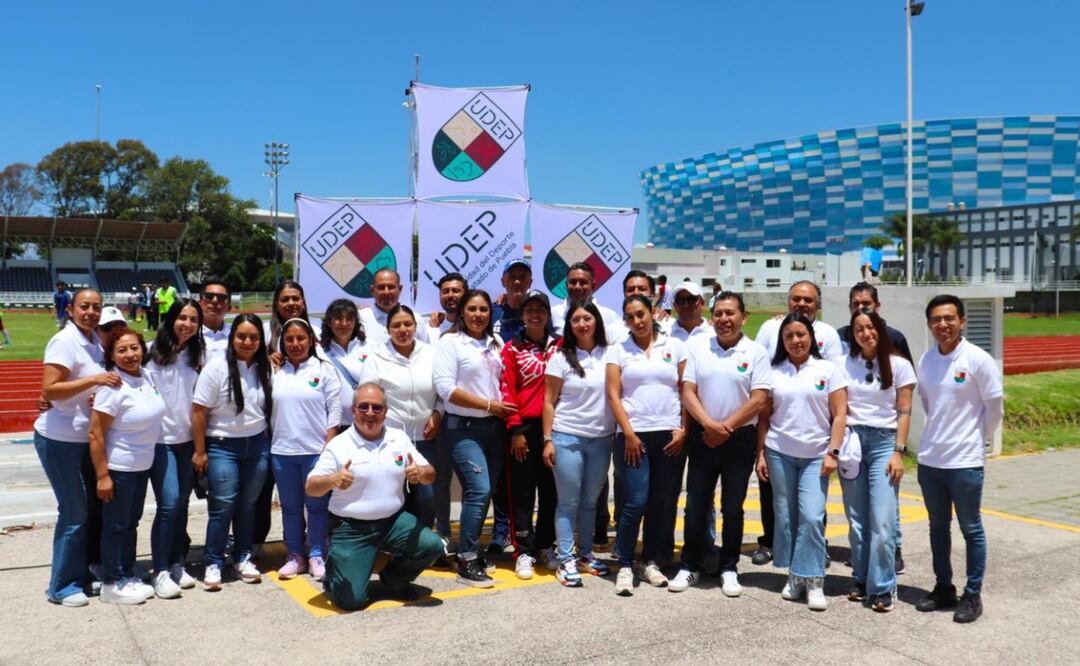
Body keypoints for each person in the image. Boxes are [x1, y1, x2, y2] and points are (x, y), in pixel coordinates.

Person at [305, 383, 443, 610]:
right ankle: (334, 575)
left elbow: (430, 473)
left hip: (393, 522)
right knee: (352, 602)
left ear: (386, 411)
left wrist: (420, 473)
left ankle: (393, 579)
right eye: (363, 407)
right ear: (353, 410)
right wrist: (333, 479)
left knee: (432, 545)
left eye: (377, 408)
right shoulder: (339, 444)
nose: (370, 413)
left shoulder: (398, 438)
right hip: (351, 529)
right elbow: (311, 487)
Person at [671, 291, 770, 596]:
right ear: (711, 318)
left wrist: (726, 428)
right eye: (719, 314)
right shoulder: (699, 347)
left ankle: (728, 567)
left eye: (730, 313)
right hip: (703, 436)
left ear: (743, 317)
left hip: (739, 439)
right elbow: (687, 391)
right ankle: (689, 565)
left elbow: (759, 399)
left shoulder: (755, 352)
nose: (724, 319)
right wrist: (710, 425)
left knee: (733, 507)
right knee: (696, 504)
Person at [914, 295, 1003, 624]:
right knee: (938, 527)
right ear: (929, 324)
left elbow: (995, 407)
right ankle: (943, 587)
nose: (943, 325)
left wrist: (977, 439)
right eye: (936, 319)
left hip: (965, 461)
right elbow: (928, 403)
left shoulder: (977, 359)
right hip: (931, 460)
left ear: (962, 321)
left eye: (949, 318)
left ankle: (973, 594)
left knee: (971, 528)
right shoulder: (925, 361)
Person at [756, 313, 847, 611]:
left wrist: (833, 452)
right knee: (787, 517)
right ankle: (796, 575)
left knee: (811, 516)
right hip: (779, 452)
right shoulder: (773, 371)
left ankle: (815, 579)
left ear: (811, 338)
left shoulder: (828, 369)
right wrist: (760, 454)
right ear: (782, 341)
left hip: (816, 456)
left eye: (801, 335)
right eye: (789, 336)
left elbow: (840, 414)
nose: (796, 341)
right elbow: (765, 417)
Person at [34, 288, 115, 607]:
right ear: (70, 310)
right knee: (74, 512)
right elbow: (50, 389)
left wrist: (94, 393)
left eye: (96, 307)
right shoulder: (65, 341)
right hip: (59, 441)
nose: (91, 312)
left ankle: (79, 575)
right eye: (85, 306)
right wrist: (94, 383)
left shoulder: (94, 340)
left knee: (85, 511)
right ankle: (61, 585)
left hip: (83, 440)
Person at [751, 280, 842, 566]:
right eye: (796, 299)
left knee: (812, 507)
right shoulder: (769, 328)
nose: (802, 304)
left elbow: (836, 396)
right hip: (779, 431)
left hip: (815, 436)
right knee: (777, 500)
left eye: (808, 300)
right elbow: (760, 367)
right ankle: (773, 544)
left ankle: (813, 551)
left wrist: (833, 447)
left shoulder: (829, 337)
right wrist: (761, 450)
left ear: (818, 304)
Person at [432, 289, 516, 588]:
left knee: (484, 491)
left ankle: (473, 551)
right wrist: (490, 406)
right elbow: (446, 389)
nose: (478, 315)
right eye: (472, 309)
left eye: (483, 309)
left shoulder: (495, 343)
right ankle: (466, 557)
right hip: (463, 427)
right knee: (479, 489)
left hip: (494, 429)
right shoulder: (450, 342)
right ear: (463, 312)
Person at [607, 294, 687, 595]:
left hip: (668, 435)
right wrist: (628, 433)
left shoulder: (674, 346)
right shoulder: (618, 350)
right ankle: (626, 564)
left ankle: (649, 561)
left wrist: (684, 429)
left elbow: (685, 390)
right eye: (630, 317)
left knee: (659, 503)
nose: (637, 321)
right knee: (635, 501)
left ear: (652, 313)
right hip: (633, 436)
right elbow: (613, 395)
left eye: (641, 314)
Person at [838, 308, 915, 613]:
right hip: (853, 441)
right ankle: (861, 577)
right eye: (859, 329)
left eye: (870, 327)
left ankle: (883, 586)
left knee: (882, 520)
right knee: (857, 520)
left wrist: (899, 450)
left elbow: (905, 412)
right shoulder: (842, 364)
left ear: (880, 329)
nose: (865, 333)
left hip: (885, 443)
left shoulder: (900, 365)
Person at [192, 313, 273, 591]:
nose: (248, 342)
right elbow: (199, 411)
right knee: (223, 505)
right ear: (232, 338)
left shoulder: (266, 367)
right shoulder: (216, 368)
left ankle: (242, 557)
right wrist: (200, 451)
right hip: (222, 445)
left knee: (247, 506)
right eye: (242, 336)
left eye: (254, 337)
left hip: (257, 445)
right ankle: (213, 560)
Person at [88, 327, 166, 604]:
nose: (130, 354)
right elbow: (96, 434)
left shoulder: (146, 376)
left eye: (134, 348)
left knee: (129, 523)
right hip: (120, 469)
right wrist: (103, 476)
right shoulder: (113, 386)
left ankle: (127, 571)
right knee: (116, 526)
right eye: (121, 350)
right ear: (111, 355)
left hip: (141, 467)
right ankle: (112, 581)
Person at [542, 300, 614, 588]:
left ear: (596, 321)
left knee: (590, 502)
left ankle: (585, 554)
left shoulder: (610, 354)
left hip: (601, 438)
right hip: (567, 435)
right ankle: (566, 558)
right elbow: (548, 401)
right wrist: (547, 439)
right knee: (568, 502)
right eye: (576, 320)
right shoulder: (560, 357)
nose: (582, 324)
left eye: (587, 318)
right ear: (569, 327)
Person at [271, 318, 341, 581]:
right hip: (282, 451)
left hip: (315, 451)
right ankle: (294, 555)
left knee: (317, 506)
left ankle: (316, 553)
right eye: (289, 339)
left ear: (311, 340)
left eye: (301, 338)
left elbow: (334, 410)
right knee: (289, 507)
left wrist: (329, 444)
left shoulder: (324, 369)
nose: (295, 343)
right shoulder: (275, 370)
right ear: (283, 342)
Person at [145, 299, 204, 598]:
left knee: (181, 505)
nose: (188, 324)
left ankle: (177, 561)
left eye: (194, 319)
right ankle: (160, 570)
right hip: (160, 442)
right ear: (170, 319)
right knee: (168, 504)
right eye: (182, 317)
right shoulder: (150, 351)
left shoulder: (196, 354)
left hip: (186, 443)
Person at [369, 305, 444, 536]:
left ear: (415, 326)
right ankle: (393, 545)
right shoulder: (377, 356)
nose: (403, 330)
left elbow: (443, 391)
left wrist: (438, 413)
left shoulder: (432, 354)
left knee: (426, 496)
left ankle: (421, 544)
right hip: (390, 441)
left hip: (425, 437)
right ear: (388, 329)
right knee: (393, 496)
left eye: (408, 324)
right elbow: (366, 395)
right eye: (396, 325)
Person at [500, 290, 560, 579]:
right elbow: (507, 389)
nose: (535, 314)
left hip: (554, 431)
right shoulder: (511, 348)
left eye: (540, 309)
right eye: (529, 310)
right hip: (522, 430)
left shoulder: (561, 346)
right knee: (522, 492)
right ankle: (523, 549)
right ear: (522, 315)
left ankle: (546, 545)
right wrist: (515, 430)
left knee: (551, 491)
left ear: (548, 314)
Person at [257, 280, 319, 550]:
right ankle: (255, 541)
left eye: (296, 298)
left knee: (314, 498)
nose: (291, 303)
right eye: (285, 299)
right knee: (262, 492)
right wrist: (266, 358)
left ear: (304, 302)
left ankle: (315, 544)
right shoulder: (262, 332)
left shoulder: (316, 332)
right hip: (268, 428)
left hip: (306, 432)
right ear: (276, 304)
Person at [487, 259, 532, 552]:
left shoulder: (539, 311)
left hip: (529, 407)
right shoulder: (493, 311)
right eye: (512, 277)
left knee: (527, 477)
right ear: (503, 281)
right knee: (500, 477)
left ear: (529, 282)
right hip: (496, 406)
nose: (517, 282)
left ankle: (527, 532)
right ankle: (501, 530)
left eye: (522, 277)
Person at [320, 299, 375, 429]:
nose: (344, 324)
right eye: (338, 319)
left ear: (356, 322)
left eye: (349, 319)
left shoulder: (371, 347)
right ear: (329, 321)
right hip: (332, 426)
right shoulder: (319, 351)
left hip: (367, 423)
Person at [836, 282, 913, 362]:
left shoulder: (895, 338)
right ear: (850, 307)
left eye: (866, 303)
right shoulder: (839, 338)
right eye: (855, 304)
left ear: (877, 306)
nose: (860, 308)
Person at [550, 262, 621, 337]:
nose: (577, 287)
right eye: (573, 282)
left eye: (583, 282)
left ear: (593, 286)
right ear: (566, 285)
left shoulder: (609, 316)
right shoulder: (552, 314)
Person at [358, 268, 404, 346]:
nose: (386, 292)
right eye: (381, 287)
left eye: (391, 287)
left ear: (400, 289)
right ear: (372, 290)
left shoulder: (414, 319)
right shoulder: (360, 318)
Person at [419, 272, 467, 343]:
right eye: (445, 291)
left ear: (466, 294)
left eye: (455, 291)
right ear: (439, 295)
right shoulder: (430, 329)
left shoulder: (477, 325)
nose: (450, 295)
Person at [199, 279, 232, 362]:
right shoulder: (188, 334)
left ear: (229, 307)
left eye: (221, 297)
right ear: (199, 303)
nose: (215, 301)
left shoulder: (237, 335)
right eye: (209, 296)